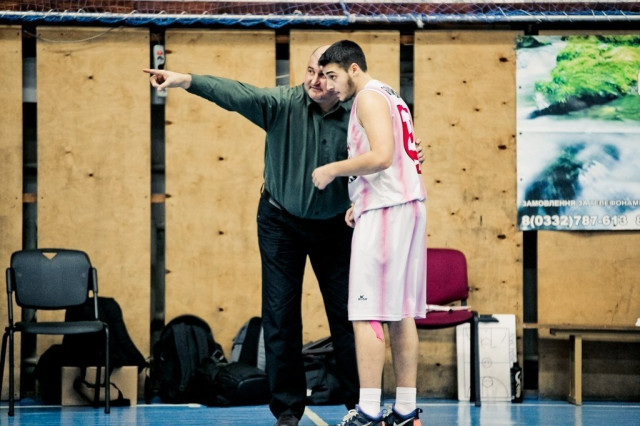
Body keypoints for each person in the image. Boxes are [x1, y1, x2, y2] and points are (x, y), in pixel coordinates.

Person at [143, 46, 359, 426]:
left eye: (324, 74)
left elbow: (389, 149)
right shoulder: (282, 104)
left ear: (342, 77)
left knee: (347, 316)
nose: (313, 81)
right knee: (280, 317)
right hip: (281, 223)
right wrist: (186, 80)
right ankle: (287, 410)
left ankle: (360, 404)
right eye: (309, 71)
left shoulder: (360, 113)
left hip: (335, 227)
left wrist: (412, 154)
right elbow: (235, 93)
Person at [312, 40, 427, 426]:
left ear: (354, 69)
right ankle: (406, 411)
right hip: (404, 206)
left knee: (366, 313)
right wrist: (360, 199)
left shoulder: (368, 98)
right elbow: (400, 157)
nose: (329, 85)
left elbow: (381, 156)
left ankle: (368, 411)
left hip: (387, 213)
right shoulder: (391, 95)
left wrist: (332, 169)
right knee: (401, 312)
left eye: (332, 76)